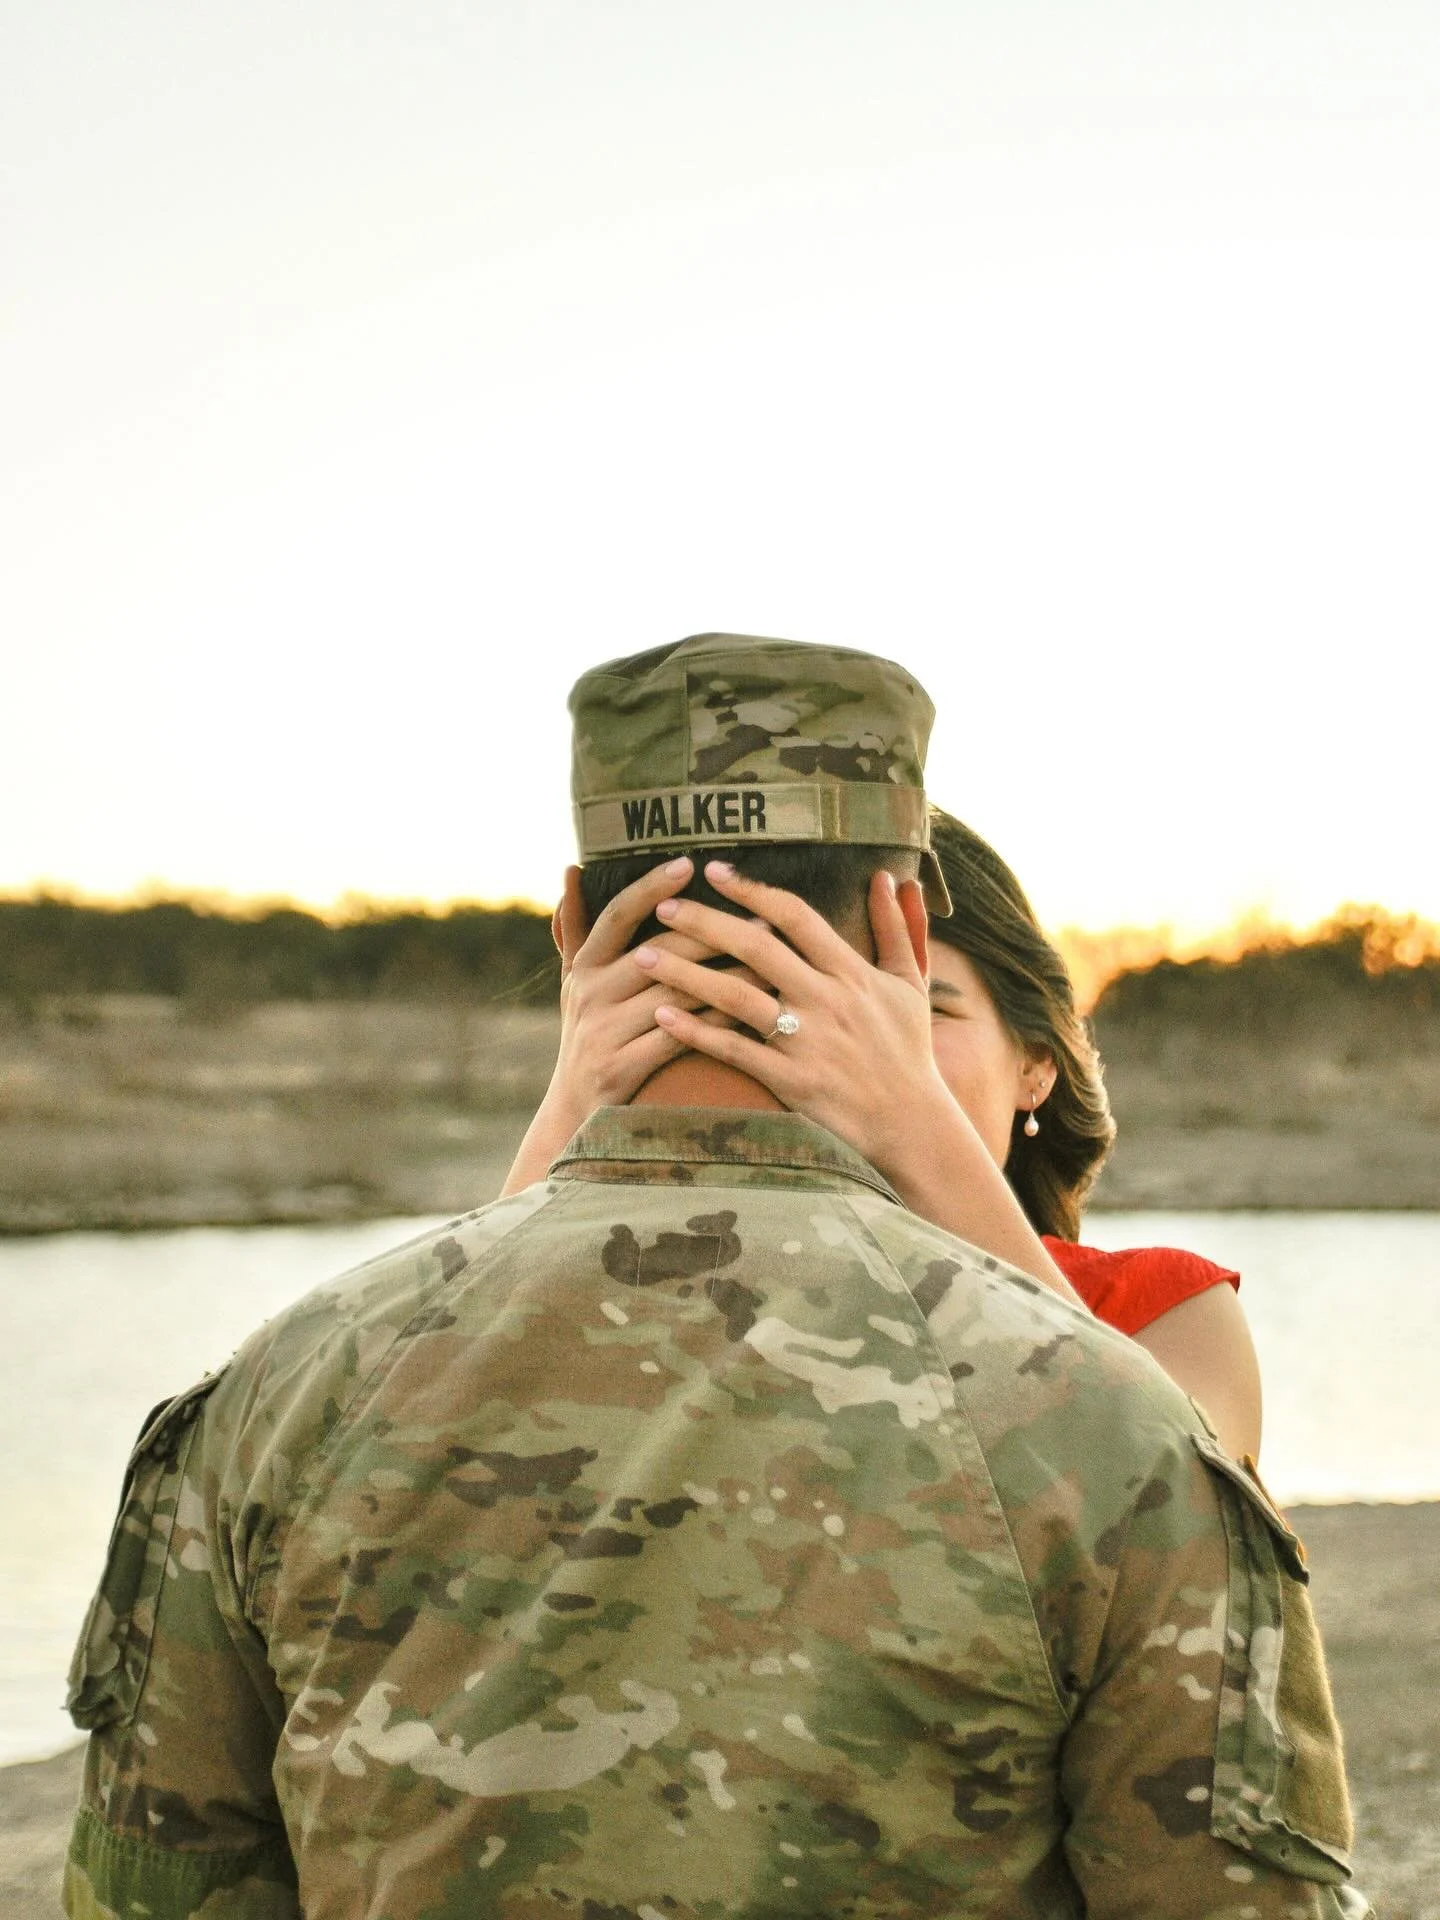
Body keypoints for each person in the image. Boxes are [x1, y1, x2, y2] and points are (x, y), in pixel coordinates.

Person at [65, 633, 1368, 1919]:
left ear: (573, 927)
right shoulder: (1110, 1427)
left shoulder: (279, 1392)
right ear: (902, 928)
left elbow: (153, 1878)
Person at [509, 805, 1263, 1460]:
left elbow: (1182, 1543)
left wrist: (911, 1114)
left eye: (921, 1011)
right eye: (788, 1004)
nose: (840, 1051)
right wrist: (574, 1105)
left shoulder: (1158, 1312)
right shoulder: (660, 1300)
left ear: (1036, 1065)